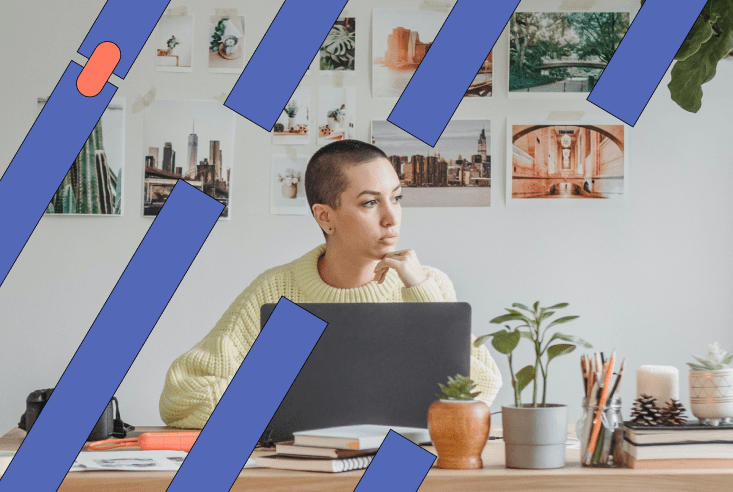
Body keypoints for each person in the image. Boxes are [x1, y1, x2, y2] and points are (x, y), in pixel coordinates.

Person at [159, 139, 503, 428]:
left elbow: (484, 387)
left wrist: (421, 292)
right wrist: (281, 401)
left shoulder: (428, 286)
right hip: (302, 471)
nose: (391, 216)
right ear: (326, 217)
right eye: (371, 202)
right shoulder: (277, 291)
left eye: (396, 198)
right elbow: (180, 397)